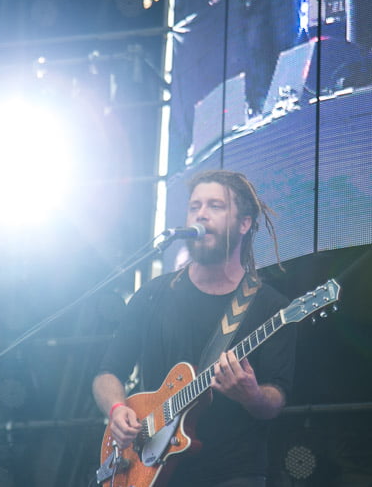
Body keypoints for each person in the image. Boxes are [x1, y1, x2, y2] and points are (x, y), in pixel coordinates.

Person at [92, 169, 296, 487]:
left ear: (244, 224)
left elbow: (276, 399)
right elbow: (107, 373)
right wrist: (117, 409)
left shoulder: (271, 307)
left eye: (216, 206)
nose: (201, 214)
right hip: (150, 471)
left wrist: (252, 395)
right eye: (195, 206)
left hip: (233, 474)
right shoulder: (152, 295)